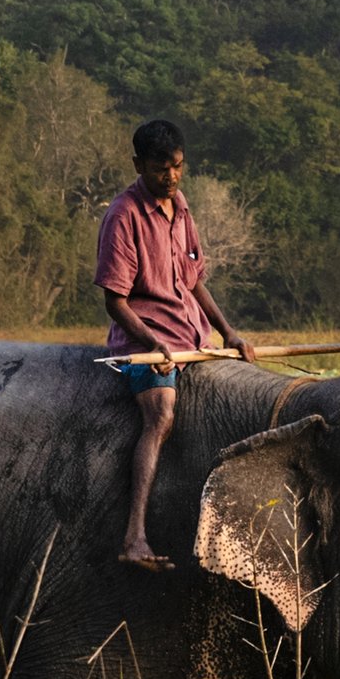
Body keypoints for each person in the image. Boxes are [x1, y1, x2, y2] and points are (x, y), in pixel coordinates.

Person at [99, 118, 255, 569]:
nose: (170, 176)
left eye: (178, 166)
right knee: (161, 414)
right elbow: (115, 301)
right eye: (160, 168)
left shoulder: (182, 208)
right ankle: (134, 538)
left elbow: (196, 283)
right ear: (138, 165)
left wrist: (229, 332)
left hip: (192, 338)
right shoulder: (123, 214)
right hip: (145, 341)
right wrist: (152, 342)